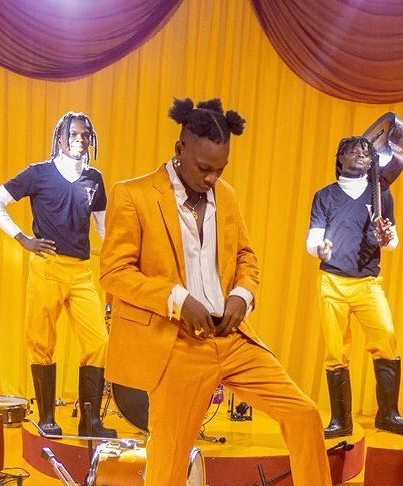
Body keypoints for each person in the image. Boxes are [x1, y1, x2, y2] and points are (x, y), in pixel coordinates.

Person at [99, 98, 333, 486]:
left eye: (220, 169)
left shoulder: (227, 194)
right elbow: (114, 272)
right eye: (204, 168)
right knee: (169, 457)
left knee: (303, 414)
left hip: (232, 338)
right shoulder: (132, 195)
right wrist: (177, 299)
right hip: (177, 343)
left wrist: (242, 295)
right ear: (179, 150)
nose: (212, 178)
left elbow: (245, 256)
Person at [0, 112, 116, 438]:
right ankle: (46, 419)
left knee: (99, 341)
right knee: (41, 341)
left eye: (85, 135)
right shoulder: (38, 173)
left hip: (80, 272)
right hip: (47, 267)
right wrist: (23, 239)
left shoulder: (94, 179)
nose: (80, 140)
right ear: (60, 138)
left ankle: (90, 422)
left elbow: (104, 229)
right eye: (74, 134)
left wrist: (123, 255)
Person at [306, 135, 403, 437]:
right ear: (340, 158)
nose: (361, 155)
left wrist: (386, 238)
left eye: (366, 152)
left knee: (386, 339)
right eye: (353, 151)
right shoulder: (324, 195)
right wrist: (320, 249)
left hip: (367, 283)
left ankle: (388, 415)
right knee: (336, 351)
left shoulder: (381, 194)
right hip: (333, 282)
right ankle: (342, 421)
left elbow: (391, 241)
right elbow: (313, 238)